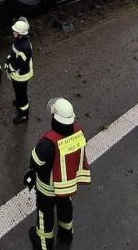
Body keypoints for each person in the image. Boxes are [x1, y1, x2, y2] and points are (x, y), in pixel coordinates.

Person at [24, 98, 91, 250]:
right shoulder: (78, 133)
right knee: (65, 207)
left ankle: (44, 244)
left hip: (47, 189)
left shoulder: (48, 142)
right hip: (66, 185)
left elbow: (35, 161)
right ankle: (66, 234)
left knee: (44, 216)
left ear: (55, 119)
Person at [5, 18, 33, 124]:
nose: (13, 32)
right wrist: (7, 61)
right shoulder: (19, 41)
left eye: (15, 31)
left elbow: (19, 63)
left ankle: (24, 114)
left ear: (20, 33)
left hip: (22, 75)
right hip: (17, 75)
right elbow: (13, 54)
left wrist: (9, 68)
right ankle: (18, 102)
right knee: (17, 91)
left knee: (22, 94)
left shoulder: (24, 47)